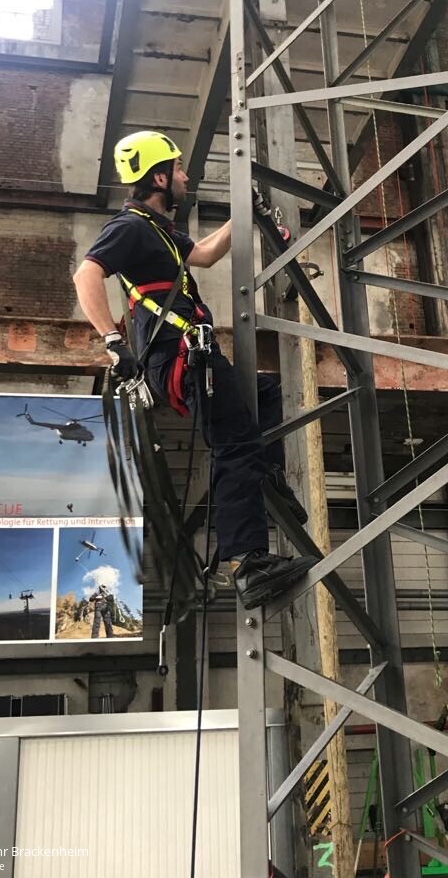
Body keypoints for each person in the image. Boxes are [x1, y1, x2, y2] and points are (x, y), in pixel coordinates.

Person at [72, 130, 315, 609]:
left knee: (266, 394)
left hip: (189, 356)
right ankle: (247, 564)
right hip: (182, 357)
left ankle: (265, 480)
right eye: (178, 168)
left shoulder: (159, 230)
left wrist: (242, 213)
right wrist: (113, 342)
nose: (186, 176)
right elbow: (87, 274)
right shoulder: (130, 227)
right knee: (234, 444)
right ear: (160, 178)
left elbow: (203, 254)